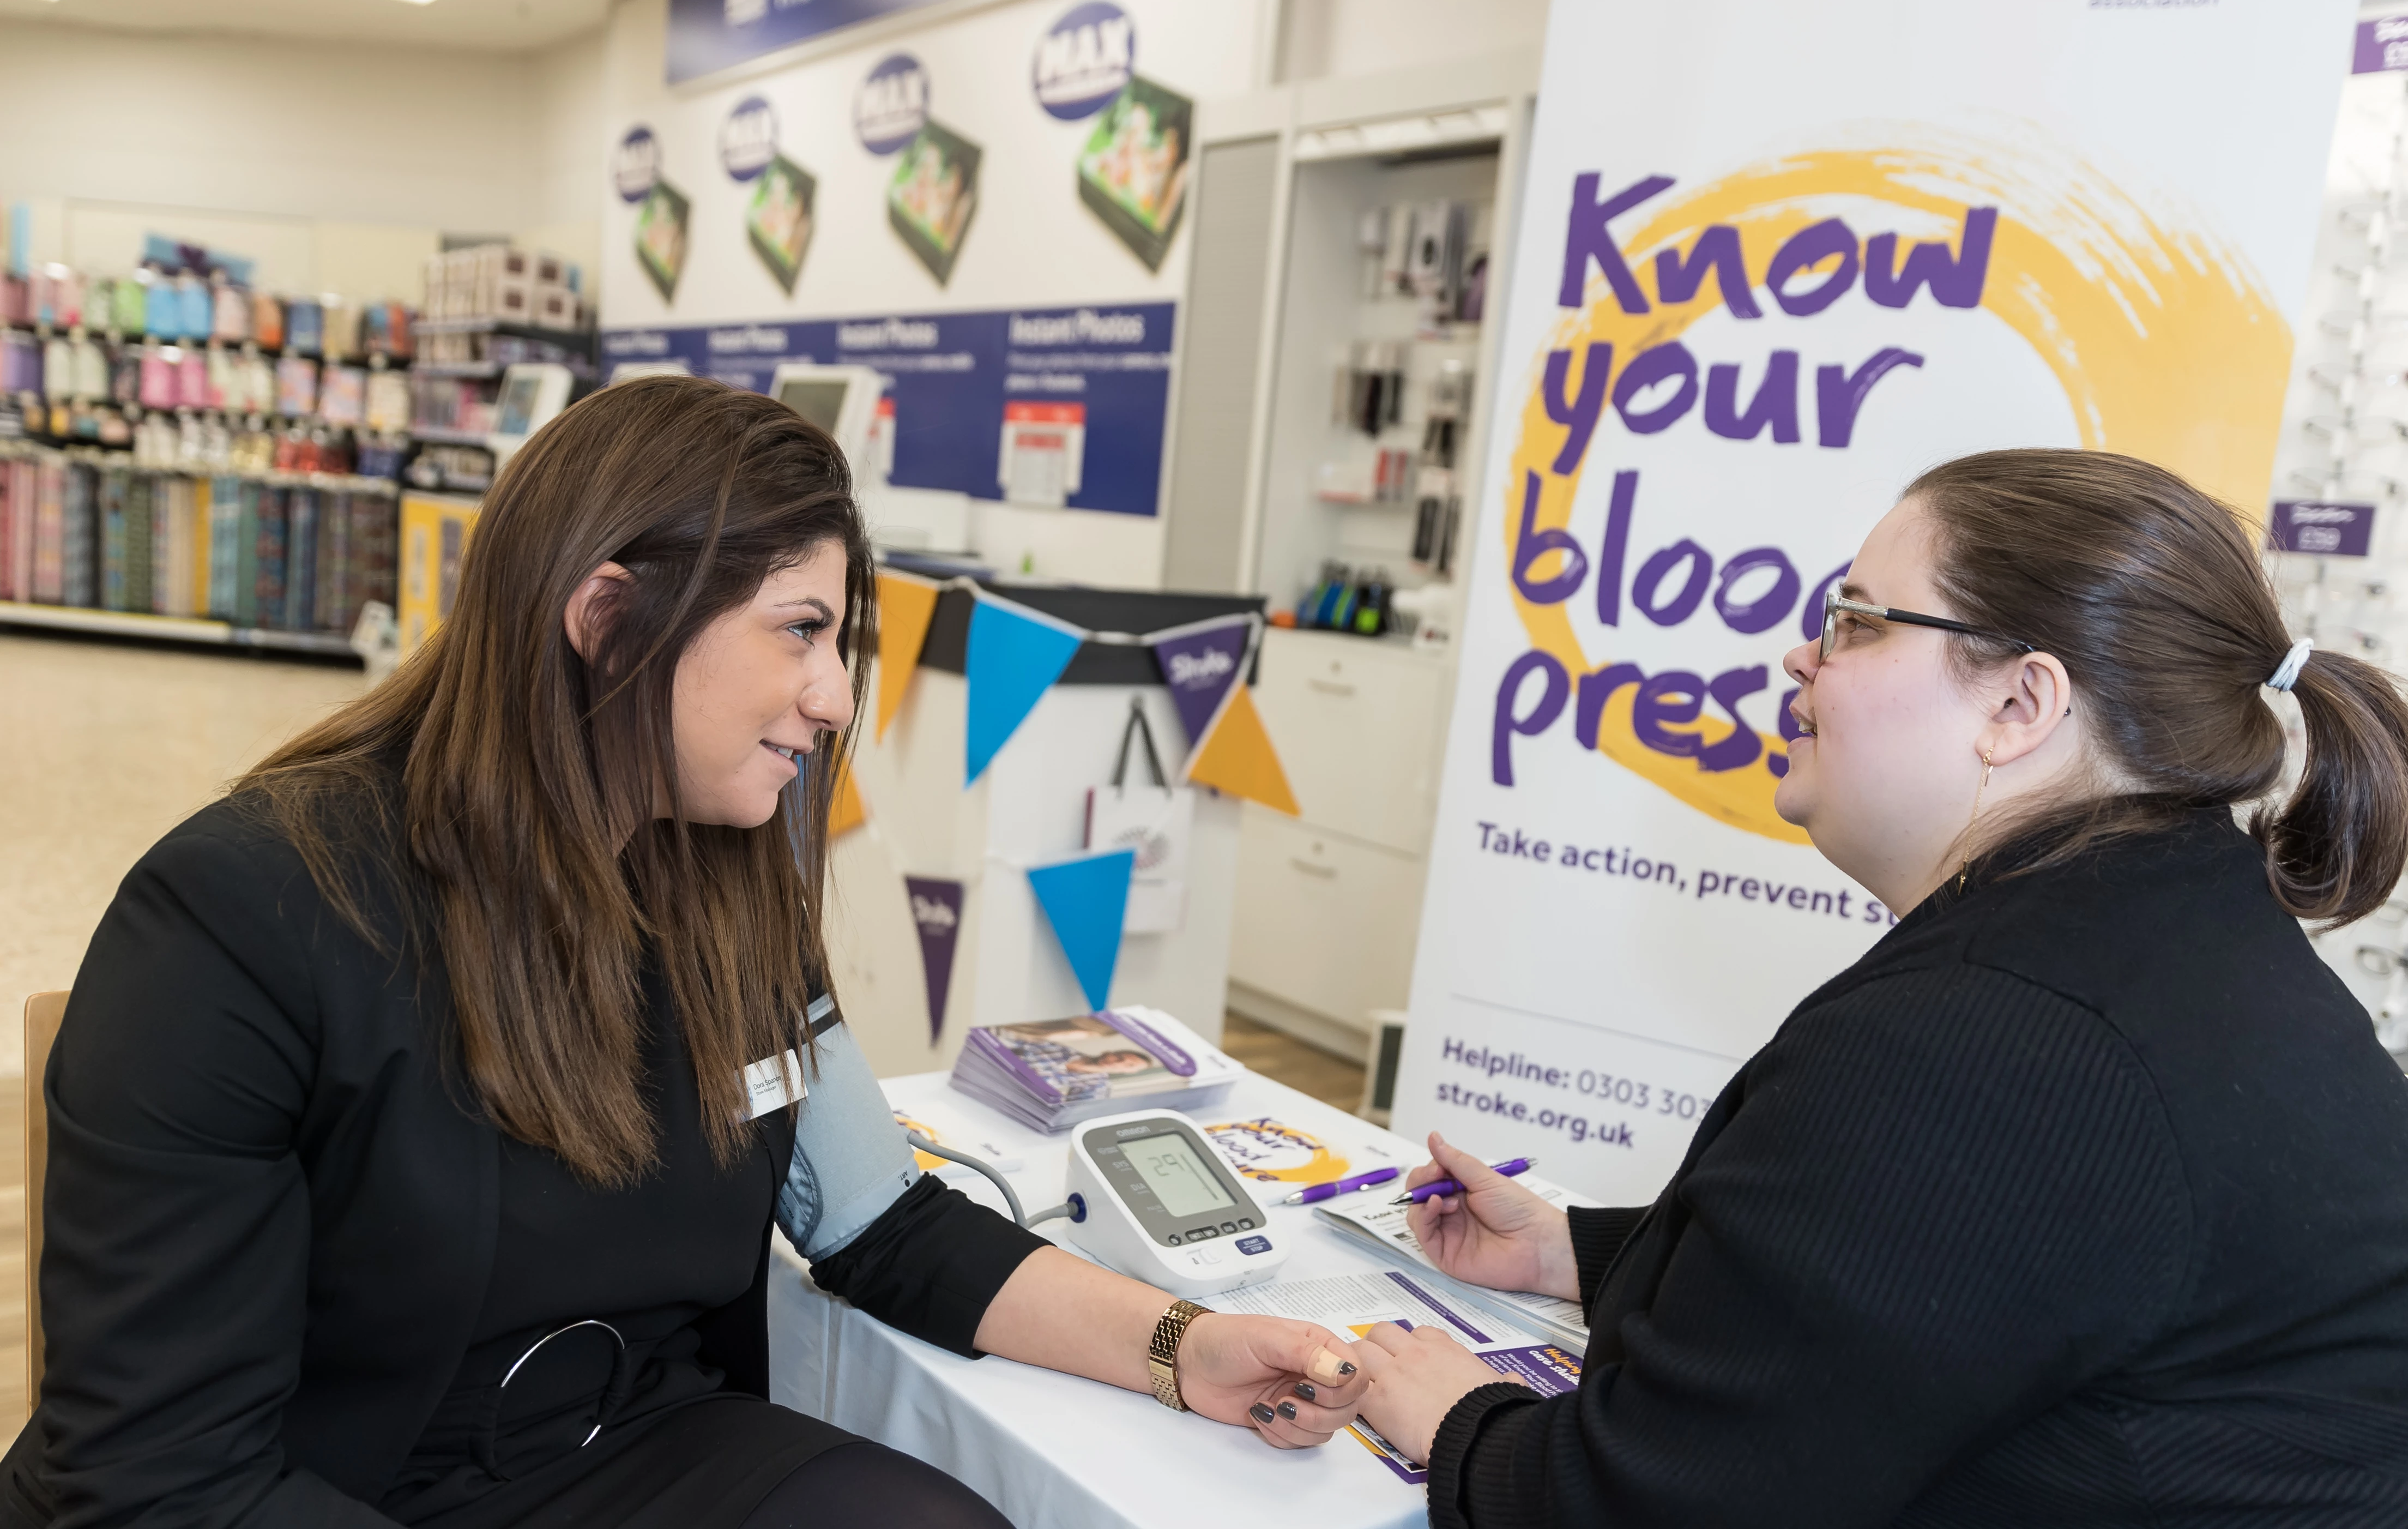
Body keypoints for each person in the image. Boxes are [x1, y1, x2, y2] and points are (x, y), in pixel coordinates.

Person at [3, 376, 1370, 1529]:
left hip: (632, 1453)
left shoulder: (734, 879)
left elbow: (880, 1222)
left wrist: (1182, 1345)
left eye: (842, 642)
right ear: (605, 615)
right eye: (801, 632)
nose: (834, 699)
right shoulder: (245, 912)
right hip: (317, 1485)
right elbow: (156, 1474)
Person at [1354, 449, 2408, 1525]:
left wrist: (1459, 1419)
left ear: (2018, 701)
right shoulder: (2175, 924)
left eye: (1857, 619)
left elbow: (1647, 1505)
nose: (1800, 655)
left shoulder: (1995, 1031)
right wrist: (1578, 1250)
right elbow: (1945, 1284)